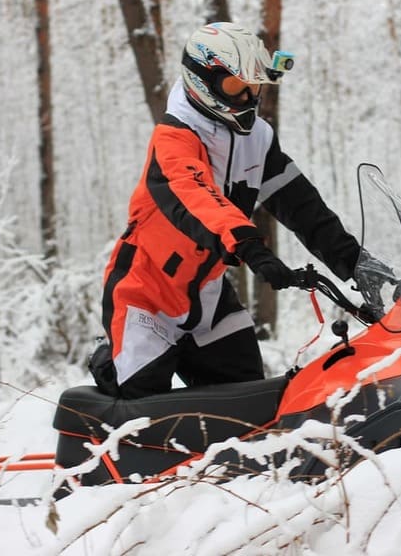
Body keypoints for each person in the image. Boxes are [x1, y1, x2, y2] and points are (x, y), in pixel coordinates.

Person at [95, 22, 362, 399]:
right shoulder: (174, 137)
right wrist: (249, 245)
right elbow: (197, 196)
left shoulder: (258, 140)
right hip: (146, 291)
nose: (249, 98)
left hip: (207, 294)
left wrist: (356, 265)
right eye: (237, 87)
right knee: (139, 410)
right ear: (203, 81)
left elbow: (304, 208)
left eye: (254, 86)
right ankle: (107, 363)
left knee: (247, 401)